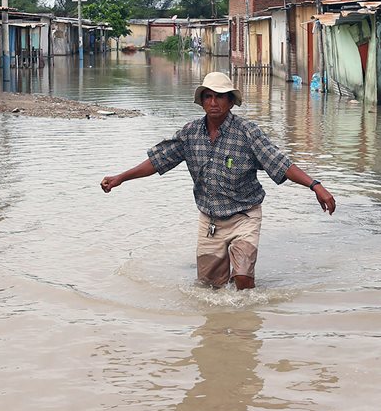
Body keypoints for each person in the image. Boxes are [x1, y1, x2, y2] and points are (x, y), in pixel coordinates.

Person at [100, 71, 336, 290]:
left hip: (245, 215)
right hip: (210, 219)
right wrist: (121, 178)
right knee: (209, 287)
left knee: (242, 277)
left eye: (220, 97)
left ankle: (245, 326)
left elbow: (280, 163)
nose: (214, 102)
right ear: (202, 101)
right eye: (208, 97)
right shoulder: (190, 133)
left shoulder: (247, 132)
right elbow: (158, 161)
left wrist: (315, 185)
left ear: (231, 102)